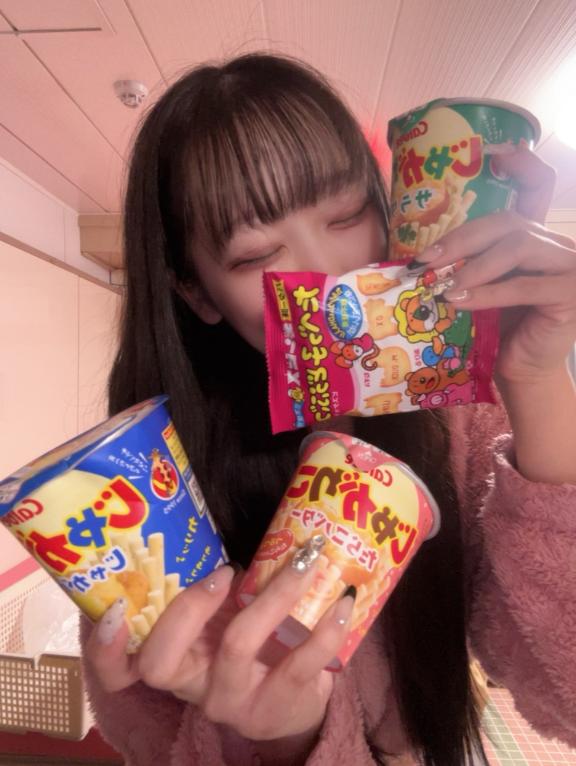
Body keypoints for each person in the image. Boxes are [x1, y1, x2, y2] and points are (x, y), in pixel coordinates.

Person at [82, 53, 576, 766]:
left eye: (348, 214)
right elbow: (151, 736)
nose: (334, 272)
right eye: (256, 254)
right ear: (197, 293)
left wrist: (535, 379)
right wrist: (283, 739)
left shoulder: (457, 416)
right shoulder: (142, 497)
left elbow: (564, 693)